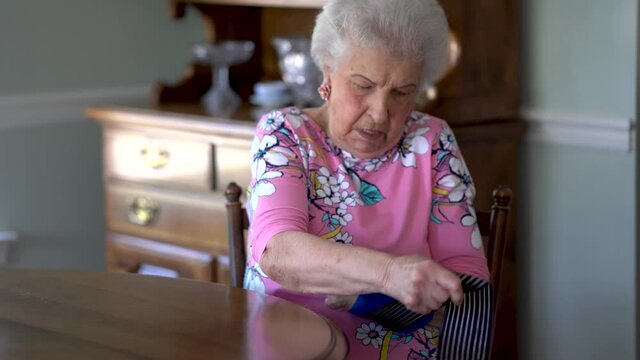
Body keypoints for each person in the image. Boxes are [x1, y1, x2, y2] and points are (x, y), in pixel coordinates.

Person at [245, 0, 493, 358]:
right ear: (327, 73)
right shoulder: (285, 134)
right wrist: (389, 276)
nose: (379, 113)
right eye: (363, 85)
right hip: (294, 348)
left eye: (402, 92)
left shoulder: (432, 141)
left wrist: (367, 299)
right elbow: (279, 255)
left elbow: (465, 285)